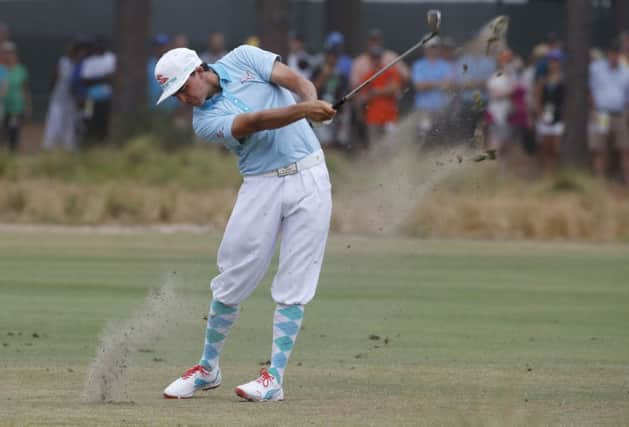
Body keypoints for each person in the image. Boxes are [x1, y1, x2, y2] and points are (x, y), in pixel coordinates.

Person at [154, 45, 336, 401]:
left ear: (198, 71)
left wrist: (313, 105)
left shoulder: (244, 57)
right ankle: (208, 369)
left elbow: (296, 81)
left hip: (311, 176)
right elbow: (255, 122)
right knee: (232, 274)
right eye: (174, 95)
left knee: (295, 279)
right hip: (260, 185)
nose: (181, 99)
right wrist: (304, 110)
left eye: (181, 89)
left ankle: (274, 379)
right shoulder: (204, 122)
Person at [589, 39, 629, 184]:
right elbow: (589, 90)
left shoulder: (626, 72)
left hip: (619, 114)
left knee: (624, 148)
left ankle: (626, 184)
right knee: (600, 148)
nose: (615, 56)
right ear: (608, 54)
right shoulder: (596, 68)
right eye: (613, 53)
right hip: (602, 114)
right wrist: (594, 106)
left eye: (617, 53)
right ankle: (599, 182)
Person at [354, 36, 403, 153]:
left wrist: (376, 91)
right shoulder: (368, 76)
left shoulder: (391, 71)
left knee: (391, 149)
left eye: (378, 57)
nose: (376, 60)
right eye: (373, 58)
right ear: (371, 59)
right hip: (373, 117)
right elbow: (361, 96)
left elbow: (394, 88)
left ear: (381, 58)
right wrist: (360, 110)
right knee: (374, 148)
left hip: (390, 116)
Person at [411, 37, 454, 144]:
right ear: (425, 49)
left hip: (441, 109)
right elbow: (419, 86)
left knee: (440, 139)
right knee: (423, 138)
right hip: (424, 109)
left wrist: (428, 83)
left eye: (435, 47)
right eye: (430, 47)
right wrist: (439, 83)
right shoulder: (418, 65)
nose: (433, 50)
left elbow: (448, 85)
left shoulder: (446, 65)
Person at [42, 42, 81, 150]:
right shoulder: (63, 62)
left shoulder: (79, 65)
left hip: (71, 101)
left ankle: (68, 148)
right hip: (58, 99)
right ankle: (49, 147)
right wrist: (52, 90)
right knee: (54, 123)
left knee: (69, 125)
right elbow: (53, 78)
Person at [311, 43, 350, 147]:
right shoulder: (318, 70)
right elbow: (311, 89)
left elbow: (345, 94)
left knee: (334, 142)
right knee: (323, 141)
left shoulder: (340, 74)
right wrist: (323, 76)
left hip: (335, 112)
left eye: (335, 56)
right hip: (319, 110)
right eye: (331, 55)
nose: (333, 59)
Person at [534, 49, 565, 176]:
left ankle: (555, 173)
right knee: (545, 149)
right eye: (551, 61)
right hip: (545, 117)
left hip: (559, 117)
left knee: (557, 149)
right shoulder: (543, 80)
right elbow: (537, 98)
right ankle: (546, 174)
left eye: (556, 61)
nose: (553, 63)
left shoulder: (564, 80)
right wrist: (540, 114)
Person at [80, 38, 116, 142]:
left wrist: (96, 79)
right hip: (89, 98)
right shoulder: (89, 61)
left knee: (104, 122)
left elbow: (114, 78)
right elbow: (85, 80)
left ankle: (101, 144)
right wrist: (104, 78)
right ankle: (88, 144)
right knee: (87, 121)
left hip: (107, 98)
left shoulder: (112, 58)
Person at [2, 42, 30, 153]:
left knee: (14, 131)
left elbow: (25, 89)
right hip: (2, 106)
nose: (8, 55)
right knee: (2, 132)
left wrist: (27, 106)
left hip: (16, 107)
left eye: (10, 53)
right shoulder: (1, 70)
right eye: (5, 53)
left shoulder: (21, 70)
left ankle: (12, 153)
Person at [147, 34, 177, 111]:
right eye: (158, 46)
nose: (161, 48)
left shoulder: (175, 64)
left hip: (172, 110)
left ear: (169, 47)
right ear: (153, 48)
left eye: (163, 46)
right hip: (151, 109)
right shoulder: (147, 65)